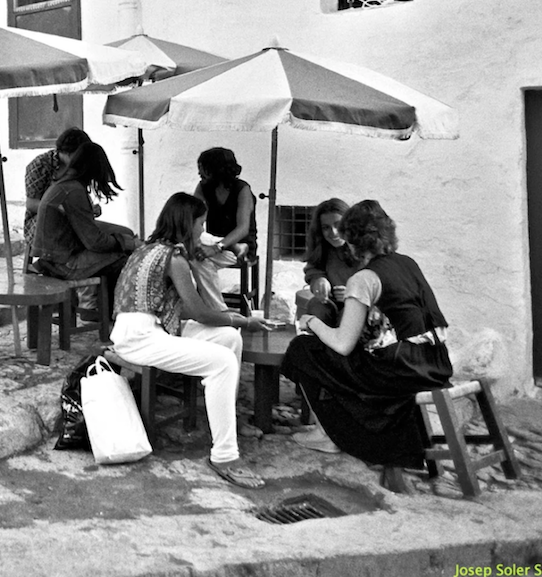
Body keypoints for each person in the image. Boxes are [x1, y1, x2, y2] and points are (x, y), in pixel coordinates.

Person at [281, 200, 453, 493]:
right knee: (336, 358)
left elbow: (342, 344)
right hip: (435, 362)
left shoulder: (364, 278)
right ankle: (348, 429)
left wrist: (311, 321)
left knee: (303, 350)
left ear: (352, 240)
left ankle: (334, 433)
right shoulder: (407, 263)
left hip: (398, 370)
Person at [110, 192, 269, 489]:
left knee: (228, 339)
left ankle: (225, 423)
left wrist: (233, 323)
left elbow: (190, 311)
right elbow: (199, 312)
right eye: (201, 223)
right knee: (222, 361)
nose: (202, 229)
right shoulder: (174, 257)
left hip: (153, 328)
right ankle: (224, 456)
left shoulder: (151, 247)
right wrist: (243, 319)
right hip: (140, 336)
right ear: (188, 223)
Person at [30, 142, 137, 306]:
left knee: (122, 244)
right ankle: (105, 310)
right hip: (64, 264)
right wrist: (128, 243)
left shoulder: (65, 185)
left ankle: (100, 308)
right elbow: (94, 241)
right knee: (128, 257)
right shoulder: (73, 191)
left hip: (54, 258)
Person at [192, 147, 258, 309]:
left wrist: (217, 247)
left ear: (216, 169)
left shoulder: (242, 189)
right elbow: (194, 219)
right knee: (194, 256)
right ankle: (215, 308)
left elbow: (242, 228)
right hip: (212, 245)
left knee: (199, 261)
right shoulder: (203, 187)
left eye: (203, 168)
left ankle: (213, 308)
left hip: (240, 248)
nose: (199, 172)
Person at [23, 127, 92, 249]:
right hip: (40, 223)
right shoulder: (40, 165)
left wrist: (89, 208)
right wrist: (61, 209)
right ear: (67, 152)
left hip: (72, 221)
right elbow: (31, 204)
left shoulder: (78, 167)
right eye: (78, 155)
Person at [299, 198, 355, 326]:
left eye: (338, 225)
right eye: (326, 228)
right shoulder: (323, 248)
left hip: (362, 308)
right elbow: (313, 269)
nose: (334, 232)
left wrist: (353, 294)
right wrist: (318, 280)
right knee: (316, 306)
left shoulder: (363, 249)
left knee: (348, 315)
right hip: (331, 304)